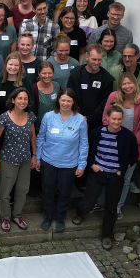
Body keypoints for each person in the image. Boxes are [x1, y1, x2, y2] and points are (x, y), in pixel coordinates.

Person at [70, 107, 139, 250]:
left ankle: (106, 235)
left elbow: (134, 155)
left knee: (111, 207)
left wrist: (122, 169)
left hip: (115, 176)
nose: (116, 122)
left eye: (119, 119)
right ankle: (80, 213)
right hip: (98, 173)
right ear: (107, 118)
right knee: (88, 202)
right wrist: (92, 165)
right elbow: (87, 150)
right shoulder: (97, 132)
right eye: (113, 119)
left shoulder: (128, 136)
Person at [97, 72, 140, 219]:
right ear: (120, 86)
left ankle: (118, 206)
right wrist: (112, 137)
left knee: (125, 179)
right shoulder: (113, 97)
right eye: (124, 84)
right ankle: (102, 203)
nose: (127, 86)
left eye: (129, 83)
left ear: (135, 83)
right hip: (111, 144)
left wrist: (130, 142)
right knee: (107, 175)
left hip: (131, 147)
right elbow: (105, 118)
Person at [37, 87, 87, 231]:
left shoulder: (80, 120)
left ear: (73, 102)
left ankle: (60, 217)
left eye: (68, 101)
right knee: (47, 191)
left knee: (65, 192)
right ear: (58, 100)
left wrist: (82, 165)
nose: (65, 103)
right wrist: (38, 158)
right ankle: (48, 216)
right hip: (48, 161)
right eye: (63, 100)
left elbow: (84, 144)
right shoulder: (48, 116)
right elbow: (41, 138)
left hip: (69, 164)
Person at [0, 87, 37, 232]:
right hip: (8, 159)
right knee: (5, 192)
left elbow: (32, 136)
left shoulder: (30, 116)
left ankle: (17, 215)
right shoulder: (4, 117)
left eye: (25, 98)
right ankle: (5, 217)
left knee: (22, 190)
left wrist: (34, 155)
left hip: (25, 159)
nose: (22, 101)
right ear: (13, 100)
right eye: (19, 98)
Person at [68, 45, 116, 130]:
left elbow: (105, 103)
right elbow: (70, 96)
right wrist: (80, 117)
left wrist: (89, 119)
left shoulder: (107, 79)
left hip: (97, 124)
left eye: (99, 59)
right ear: (87, 57)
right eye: (94, 59)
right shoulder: (76, 75)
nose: (97, 62)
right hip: (75, 120)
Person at [33, 62, 60, 127]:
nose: (47, 76)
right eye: (44, 73)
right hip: (38, 126)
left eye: (50, 73)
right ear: (39, 73)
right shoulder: (33, 88)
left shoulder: (57, 86)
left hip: (55, 125)